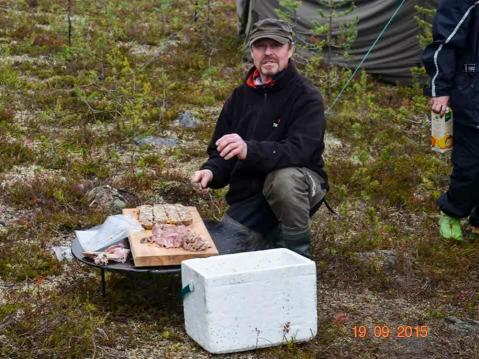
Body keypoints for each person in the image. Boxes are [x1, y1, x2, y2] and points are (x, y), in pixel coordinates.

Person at [191, 18, 328, 257]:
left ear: (290, 49)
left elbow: (299, 151)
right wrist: (211, 172)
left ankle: (298, 255)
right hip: (251, 197)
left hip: (299, 185)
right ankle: (269, 237)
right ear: (252, 51)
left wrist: (249, 150)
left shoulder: (306, 96)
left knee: (282, 180)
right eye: (260, 46)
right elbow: (222, 150)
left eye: (275, 45)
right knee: (221, 251)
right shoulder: (240, 97)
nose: (268, 53)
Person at [422, 0, 479, 240]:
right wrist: (440, 88)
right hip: (472, 96)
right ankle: (453, 211)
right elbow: (444, 43)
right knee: (469, 168)